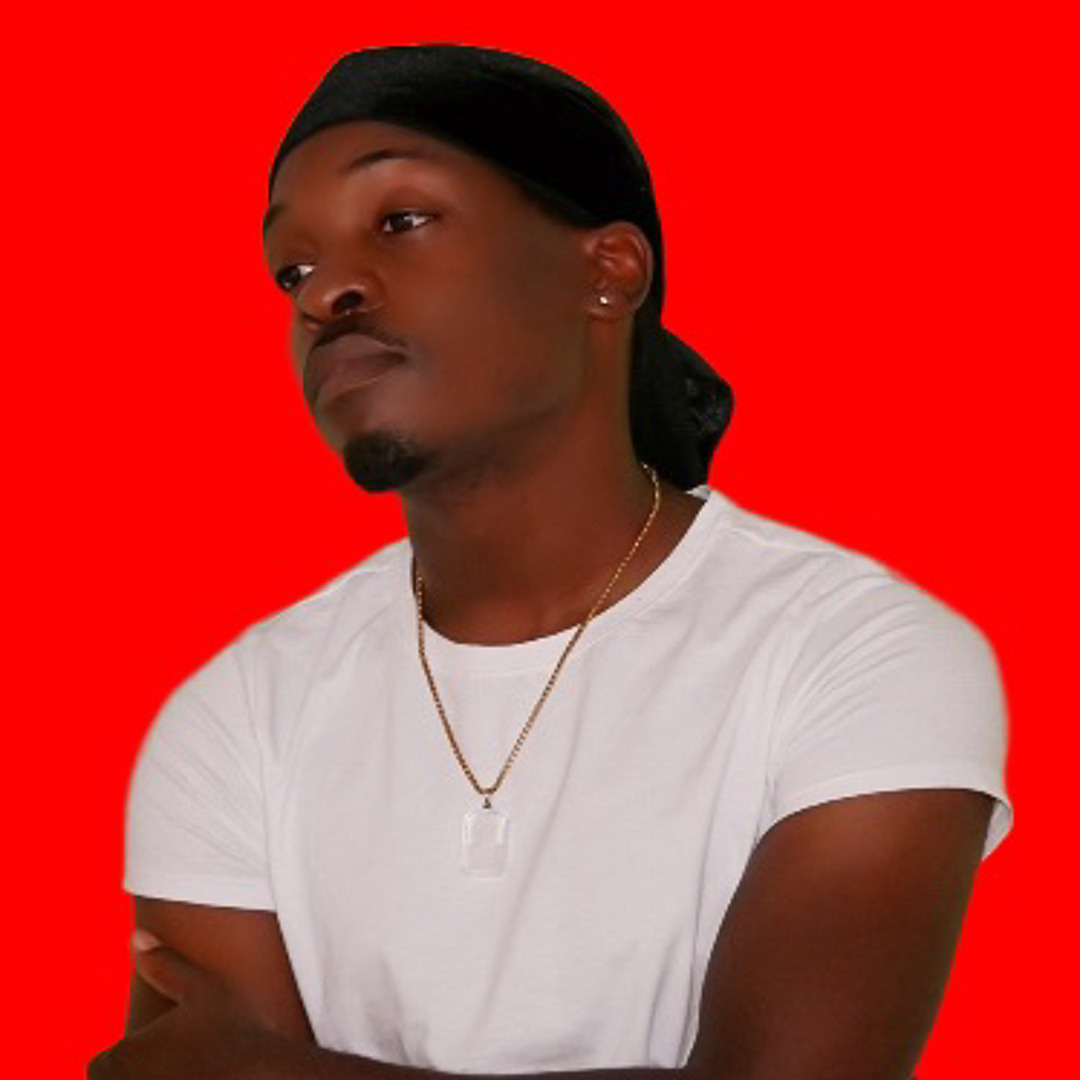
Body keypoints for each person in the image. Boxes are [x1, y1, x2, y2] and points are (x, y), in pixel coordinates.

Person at [90, 44, 1012, 1080]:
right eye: (291, 270)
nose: (325, 292)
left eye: (401, 220)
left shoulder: (858, 653)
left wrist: (270, 1073)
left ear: (607, 272)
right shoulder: (239, 715)